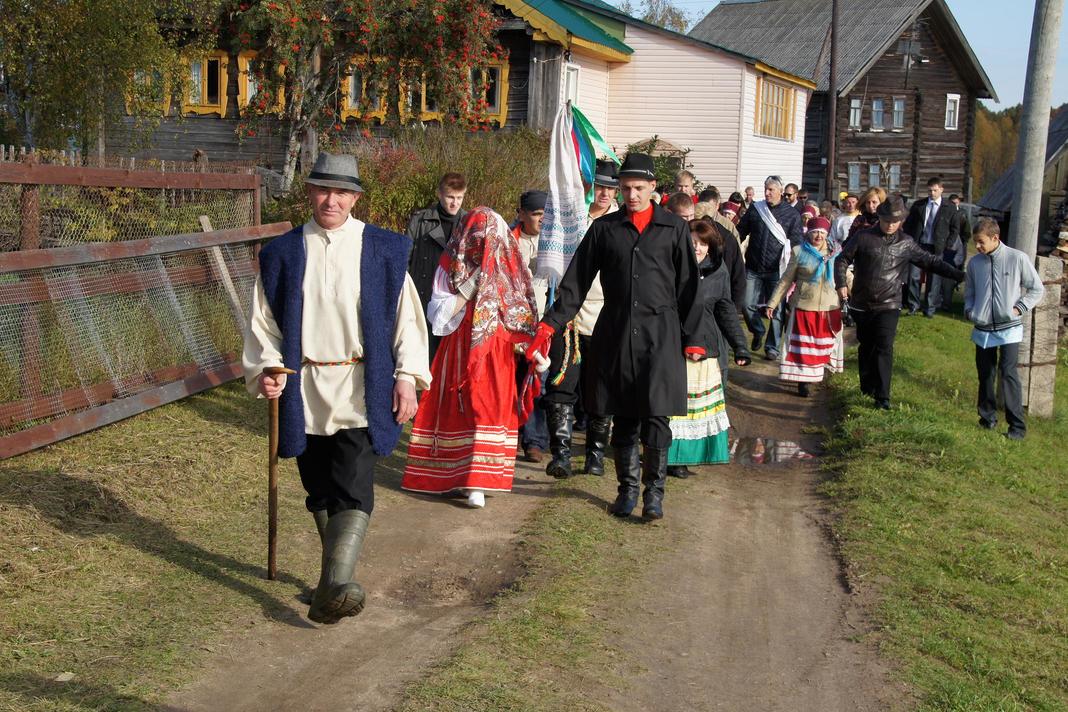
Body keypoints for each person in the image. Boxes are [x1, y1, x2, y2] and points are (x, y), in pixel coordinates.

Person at [243, 152, 431, 624]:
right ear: (310, 192)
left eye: (342, 192)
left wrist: (406, 377)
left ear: (355, 197)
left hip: (360, 386)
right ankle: (331, 587)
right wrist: (267, 366)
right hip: (302, 387)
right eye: (324, 190)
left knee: (352, 483)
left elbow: (407, 321)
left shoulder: (383, 249)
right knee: (319, 486)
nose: (333, 200)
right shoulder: (282, 253)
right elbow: (263, 323)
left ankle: (337, 584)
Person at [524, 152, 701, 521]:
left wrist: (693, 336)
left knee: (656, 418)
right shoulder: (605, 230)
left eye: (638, 188)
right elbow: (574, 284)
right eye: (625, 189)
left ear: (654, 188)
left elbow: (689, 289)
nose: (631, 195)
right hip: (617, 333)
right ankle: (627, 490)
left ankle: (654, 495)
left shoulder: (675, 229)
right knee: (623, 417)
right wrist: (549, 324)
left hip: (661, 336)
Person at [401, 207, 539, 508]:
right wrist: (467, 289)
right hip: (458, 348)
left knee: (487, 408)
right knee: (458, 409)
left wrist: (527, 345)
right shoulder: (450, 266)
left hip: (495, 353)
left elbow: (522, 314)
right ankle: (448, 475)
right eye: (476, 239)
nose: (481, 246)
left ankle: (478, 480)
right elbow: (437, 314)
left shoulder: (510, 268)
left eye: (487, 240)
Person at [834, 197, 965, 410]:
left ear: (901, 221)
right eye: (887, 221)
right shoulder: (863, 237)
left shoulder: (906, 243)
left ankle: (883, 397)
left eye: (896, 221)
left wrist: (958, 274)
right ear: (880, 218)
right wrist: (841, 284)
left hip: (889, 303)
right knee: (867, 346)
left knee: (884, 347)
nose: (891, 225)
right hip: (863, 302)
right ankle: (867, 386)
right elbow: (842, 259)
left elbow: (930, 261)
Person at [542, 160, 619, 479]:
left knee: (601, 390)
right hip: (569, 314)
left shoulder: (620, 224)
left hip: (605, 315)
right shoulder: (573, 220)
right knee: (561, 385)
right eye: (599, 186)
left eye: (610, 188)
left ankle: (595, 454)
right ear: (591, 186)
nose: (604, 192)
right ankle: (560, 454)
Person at [667, 220, 751, 477]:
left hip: (707, 347)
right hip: (675, 346)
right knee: (676, 407)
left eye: (703, 243)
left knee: (697, 409)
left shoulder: (719, 271)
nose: (697, 248)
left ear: (711, 247)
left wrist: (740, 346)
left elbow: (725, 310)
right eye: (692, 242)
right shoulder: (670, 268)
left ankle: (694, 455)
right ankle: (671, 457)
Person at [964, 218, 1045, 440]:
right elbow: (969, 291)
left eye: (981, 242)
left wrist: (1018, 309)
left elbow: (1036, 289)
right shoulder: (974, 263)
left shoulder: (1017, 258)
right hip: (982, 329)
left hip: (1009, 329)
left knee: (1008, 374)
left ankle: (1017, 427)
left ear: (995, 238)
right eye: (975, 242)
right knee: (985, 374)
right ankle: (987, 418)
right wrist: (970, 310)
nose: (977, 247)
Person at [765, 216, 844, 398]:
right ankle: (804, 381)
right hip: (804, 307)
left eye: (822, 232)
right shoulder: (799, 252)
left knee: (821, 346)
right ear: (808, 232)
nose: (818, 236)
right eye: (815, 231)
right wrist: (773, 303)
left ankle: (817, 374)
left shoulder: (836, 252)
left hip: (828, 307)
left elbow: (844, 275)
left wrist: (853, 289)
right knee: (804, 348)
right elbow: (786, 279)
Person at [736, 175, 804, 361]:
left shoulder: (791, 215)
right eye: (765, 189)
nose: (767, 193)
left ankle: (772, 347)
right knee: (746, 305)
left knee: (776, 311)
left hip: (778, 270)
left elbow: (798, 241)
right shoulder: (756, 210)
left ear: (780, 192)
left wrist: (800, 268)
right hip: (753, 267)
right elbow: (740, 233)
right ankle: (757, 330)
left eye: (771, 189)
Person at [407, 173, 468, 359]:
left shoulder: (468, 223)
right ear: (439, 194)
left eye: (459, 198)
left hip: (453, 302)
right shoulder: (420, 221)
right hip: (422, 296)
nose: (454, 203)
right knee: (420, 357)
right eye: (450, 197)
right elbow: (406, 258)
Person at [513, 190, 551, 463]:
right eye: (537, 214)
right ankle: (509, 435)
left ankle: (535, 440)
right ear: (522, 214)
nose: (542, 219)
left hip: (543, 323)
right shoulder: (509, 241)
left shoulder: (554, 243)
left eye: (545, 214)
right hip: (512, 325)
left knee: (537, 384)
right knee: (511, 382)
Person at [902, 176, 960, 317]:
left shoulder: (950, 208)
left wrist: (947, 245)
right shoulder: (919, 205)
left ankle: (929, 309)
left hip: (937, 247)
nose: (932, 193)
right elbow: (908, 225)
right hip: (919, 245)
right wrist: (909, 240)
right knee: (913, 276)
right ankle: (913, 306)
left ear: (941, 189)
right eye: (929, 191)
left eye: (935, 190)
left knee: (933, 279)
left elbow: (955, 229)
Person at [942, 193, 971, 311]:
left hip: (957, 245)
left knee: (955, 272)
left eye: (956, 202)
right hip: (945, 245)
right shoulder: (945, 212)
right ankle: (942, 301)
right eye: (952, 202)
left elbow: (966, 232)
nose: (954, 204)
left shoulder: (962, 214)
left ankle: (948, 299)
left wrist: (962, 243)